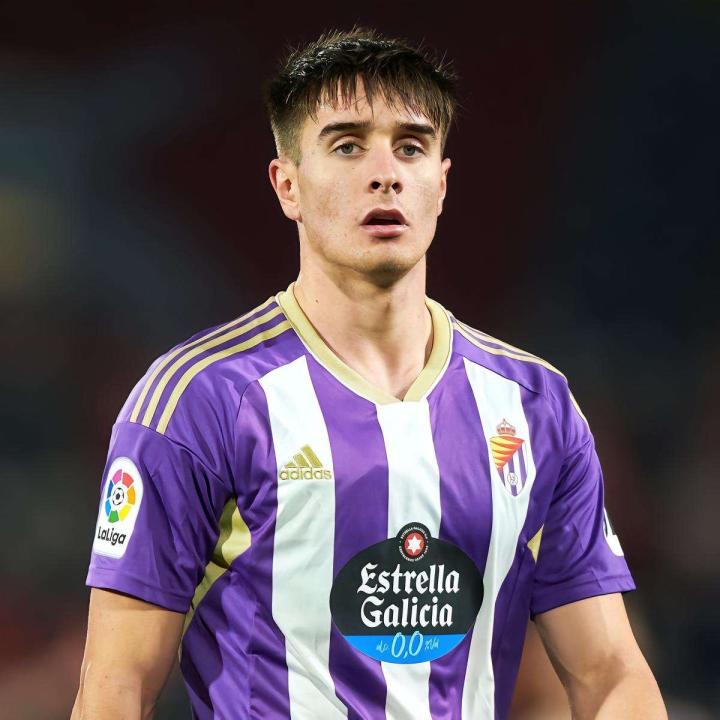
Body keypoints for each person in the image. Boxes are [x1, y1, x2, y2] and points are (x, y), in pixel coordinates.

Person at [72, 26, 667, 720]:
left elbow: (611, 674)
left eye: (410, 147)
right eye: (348, 145)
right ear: (287, 185)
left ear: (441, 184)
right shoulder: (200, 400)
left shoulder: (534, 405)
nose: (385, 173)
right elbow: (116, 685)